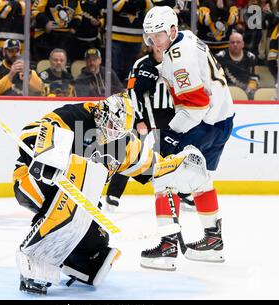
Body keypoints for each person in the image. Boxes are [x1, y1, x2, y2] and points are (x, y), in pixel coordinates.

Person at [12, 91, 210, 294]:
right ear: (101, 113)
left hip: (77, 196)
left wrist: (180, 165)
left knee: (96, 248)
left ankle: (75, 261)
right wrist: (48, 155)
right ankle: (35, 258)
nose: (113, 133)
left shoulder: (124, 143)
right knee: (81, 172)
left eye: (119, 130)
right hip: (34, 181)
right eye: (111, 126)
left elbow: (153, 165)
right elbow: (32, 131)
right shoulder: (76, 115)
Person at [140, 6, 235, 270]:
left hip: (203, 122)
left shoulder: (179, 58)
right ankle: (214, 241)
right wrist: (158, 72)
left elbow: (195, 105)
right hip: (222, 119)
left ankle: (168, 245)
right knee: (199, 178)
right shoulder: (187, 37)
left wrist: (170, 132)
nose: (153, 42)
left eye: (157, 35)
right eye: (149, 37)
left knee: (163, 175)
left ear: (171, 30)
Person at [105, 45, 177, 212]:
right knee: (130, 152)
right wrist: (139, 119)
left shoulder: (176, 61)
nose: (160, 46)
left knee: (172, 152)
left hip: (170, 114)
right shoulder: (141, 64)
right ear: (150, 45)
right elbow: (132, 91)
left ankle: (182, 193)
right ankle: (114, 193)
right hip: (144, 114)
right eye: (155, 41)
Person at [215, 32, 259, 99]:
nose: (235, 44)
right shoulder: (220, 57)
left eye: (238, 42)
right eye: (232, 42)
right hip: (225, 93)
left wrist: (251, 87)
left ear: (243, 44)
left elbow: (255, 76)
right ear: (228, 44)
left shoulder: (251, 57)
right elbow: (215, 76)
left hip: (247, 93)